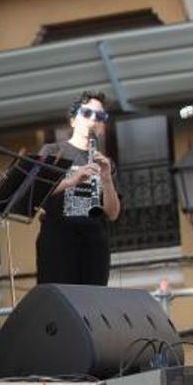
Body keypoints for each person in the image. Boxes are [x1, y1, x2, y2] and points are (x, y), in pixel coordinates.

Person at [34, 90, 122, 286]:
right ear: (73, 120)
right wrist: (72, 180)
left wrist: (106, 178)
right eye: (87, 113)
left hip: (94, 244)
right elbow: (36, 192)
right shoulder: (52, 151)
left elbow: (113, 213)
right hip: (58, 242)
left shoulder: (105, 162)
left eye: (99, 116)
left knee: (91, 304)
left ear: (102, 126)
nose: (93, 120)